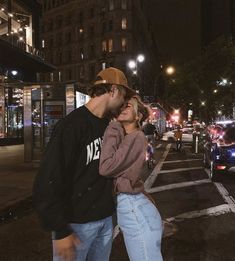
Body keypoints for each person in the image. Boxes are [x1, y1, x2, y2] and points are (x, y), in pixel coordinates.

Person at [33, 67, 135, 261]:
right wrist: (60, 230)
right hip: (75, 225)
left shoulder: (109, 126)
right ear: (112, 90)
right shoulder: (71, 126)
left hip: (105, 222)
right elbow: (48, 180)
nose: (124, 102)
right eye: (123, 95)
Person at [99, 96, 163, 261]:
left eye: (128, 106)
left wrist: (113, 127)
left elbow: (106, 167)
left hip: (134, 209)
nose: (122, 109)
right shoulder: (129, 137)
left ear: (138, 116)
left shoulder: (135, 137)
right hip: (136, 207)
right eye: (121, 106)